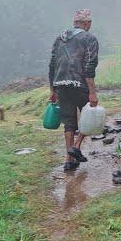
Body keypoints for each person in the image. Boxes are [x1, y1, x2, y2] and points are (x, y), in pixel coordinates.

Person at [48, 9, 99, 171]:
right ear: (86, 23)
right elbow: (89, 66)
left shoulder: (59, 39)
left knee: (69, 122)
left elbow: (52, 65)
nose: (90, 26)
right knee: (88, 116)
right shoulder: (89, 38)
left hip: (61, 85)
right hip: (80, 85)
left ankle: (69, 160)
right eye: (89, 23)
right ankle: (76, 146)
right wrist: (92, 92)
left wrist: (53, 89)